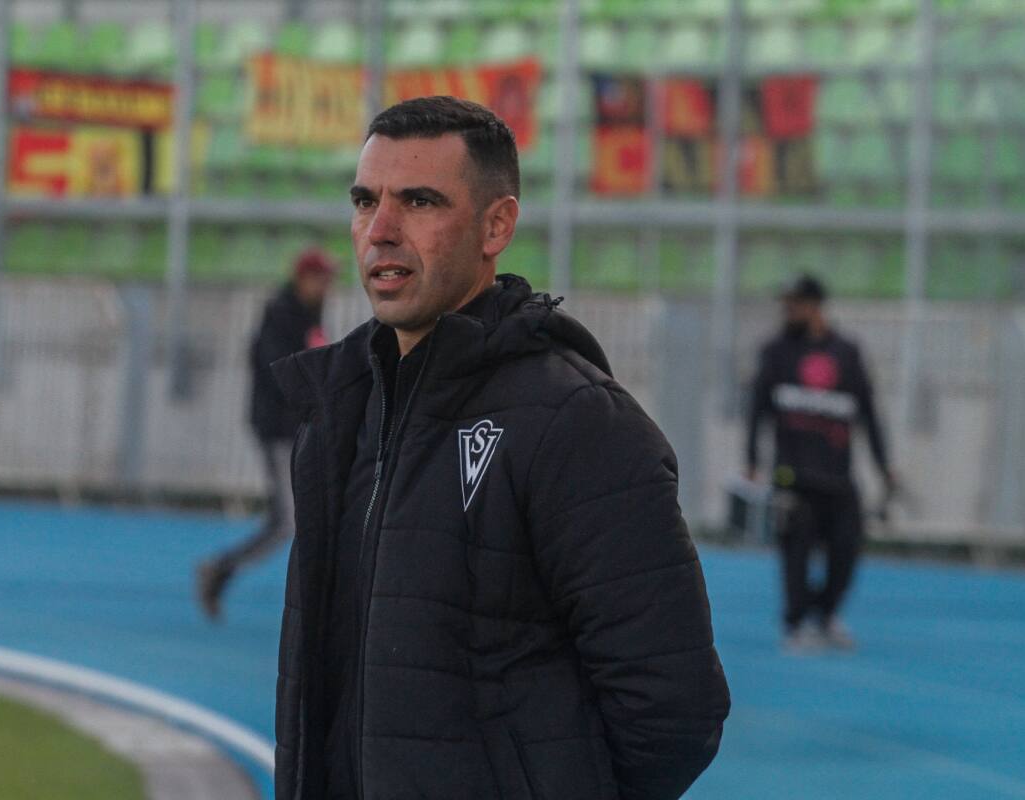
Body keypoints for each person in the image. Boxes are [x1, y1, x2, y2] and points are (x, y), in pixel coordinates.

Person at [270, 96, 729, 800]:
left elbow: (673, 713)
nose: (381, 231)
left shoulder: (575, 421)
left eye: (419, 202)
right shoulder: (340, 412)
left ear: (497, 225)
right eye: (366, 201)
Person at [746, 274, 896, 653]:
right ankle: (796, 623)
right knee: (795, 553)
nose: (788, 310)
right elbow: (757, 410)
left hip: (837, 475)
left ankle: (826, 615)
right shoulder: (776, 351)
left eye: (795, 303)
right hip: (792, 474)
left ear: (815, 306)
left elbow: (868, 413)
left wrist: (884, 465)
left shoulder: (846, 353)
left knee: (846, 551)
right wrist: (750, 460)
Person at [196, 247, 336, 619]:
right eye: (320, 278)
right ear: (303, 277)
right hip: (280, 430)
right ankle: (221, 568)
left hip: (298, 429)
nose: (326, 286)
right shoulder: (281, 313)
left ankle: (223, 568)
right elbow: (282, 372)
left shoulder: (307, 313)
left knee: (293, 517)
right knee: (287, 520)